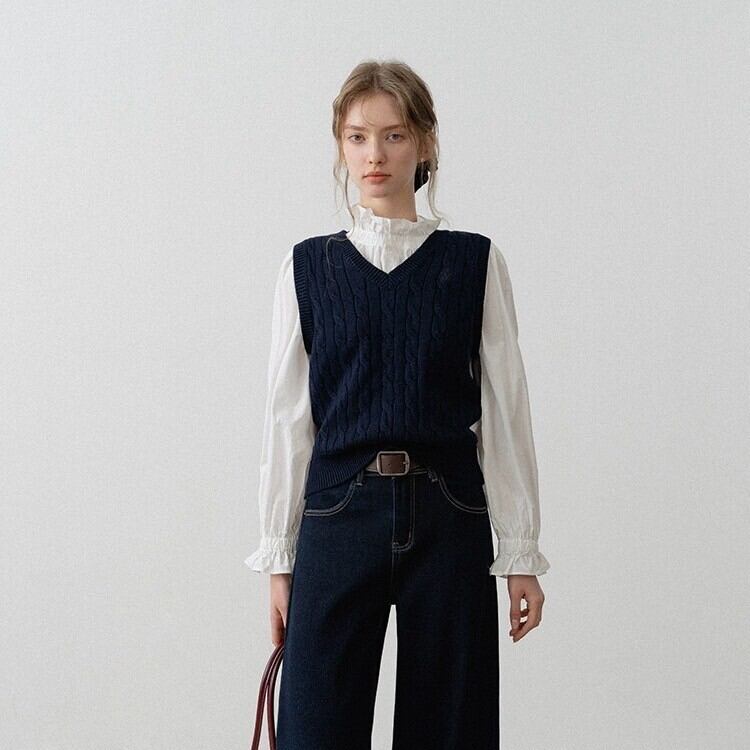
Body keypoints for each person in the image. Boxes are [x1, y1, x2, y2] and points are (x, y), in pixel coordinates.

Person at [245, 59, 550, 749]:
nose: (374, 155)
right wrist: (279, 557)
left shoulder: (474, 263)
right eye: (357, 138)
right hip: (337, 516)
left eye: (393, 135)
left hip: (449, 517)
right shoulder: (307, 268)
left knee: (452, 730)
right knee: (316, 728)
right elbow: (289, 420)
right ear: (340, 146)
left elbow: (505, 410)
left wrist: (520, 552)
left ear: (425, 143)